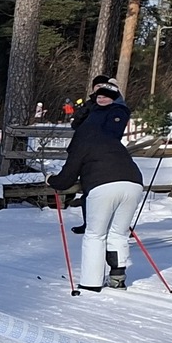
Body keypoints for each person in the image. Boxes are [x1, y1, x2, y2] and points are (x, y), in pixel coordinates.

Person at [49, 105, 147, 290]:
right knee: (118, 233)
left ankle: (91, 282)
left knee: (95, 235)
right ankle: (117, 277)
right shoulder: (112, 140)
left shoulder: (82, 141)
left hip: (102, 186)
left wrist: (51, 180)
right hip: (133, 184)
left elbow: (66, 178)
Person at [76, 77, 132, 141]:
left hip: (100, 145)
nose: (100, 88)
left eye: (102, 85)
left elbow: (112, 133)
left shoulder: (117, 108)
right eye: (98, 86)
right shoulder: (91, 104)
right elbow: (77, 125)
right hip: (84, 144)